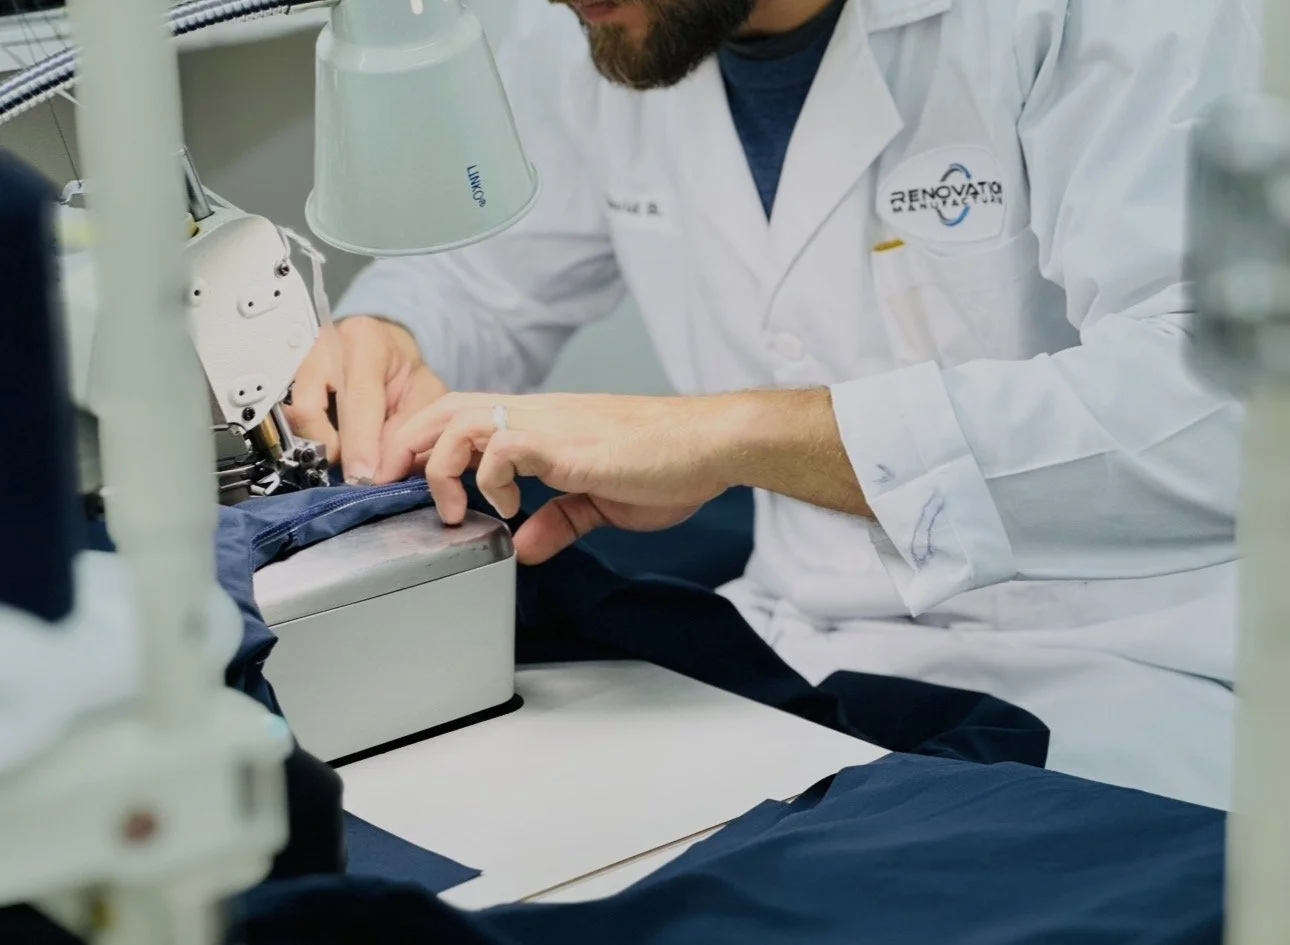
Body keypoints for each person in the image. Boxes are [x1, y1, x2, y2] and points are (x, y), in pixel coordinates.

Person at [288, 0, 1259, 809]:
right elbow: (481, 276)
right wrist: (394, 335)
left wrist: (731, 436)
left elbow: (1223, 416)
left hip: (1141, 666)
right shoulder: (606, 25)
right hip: (799, 643)